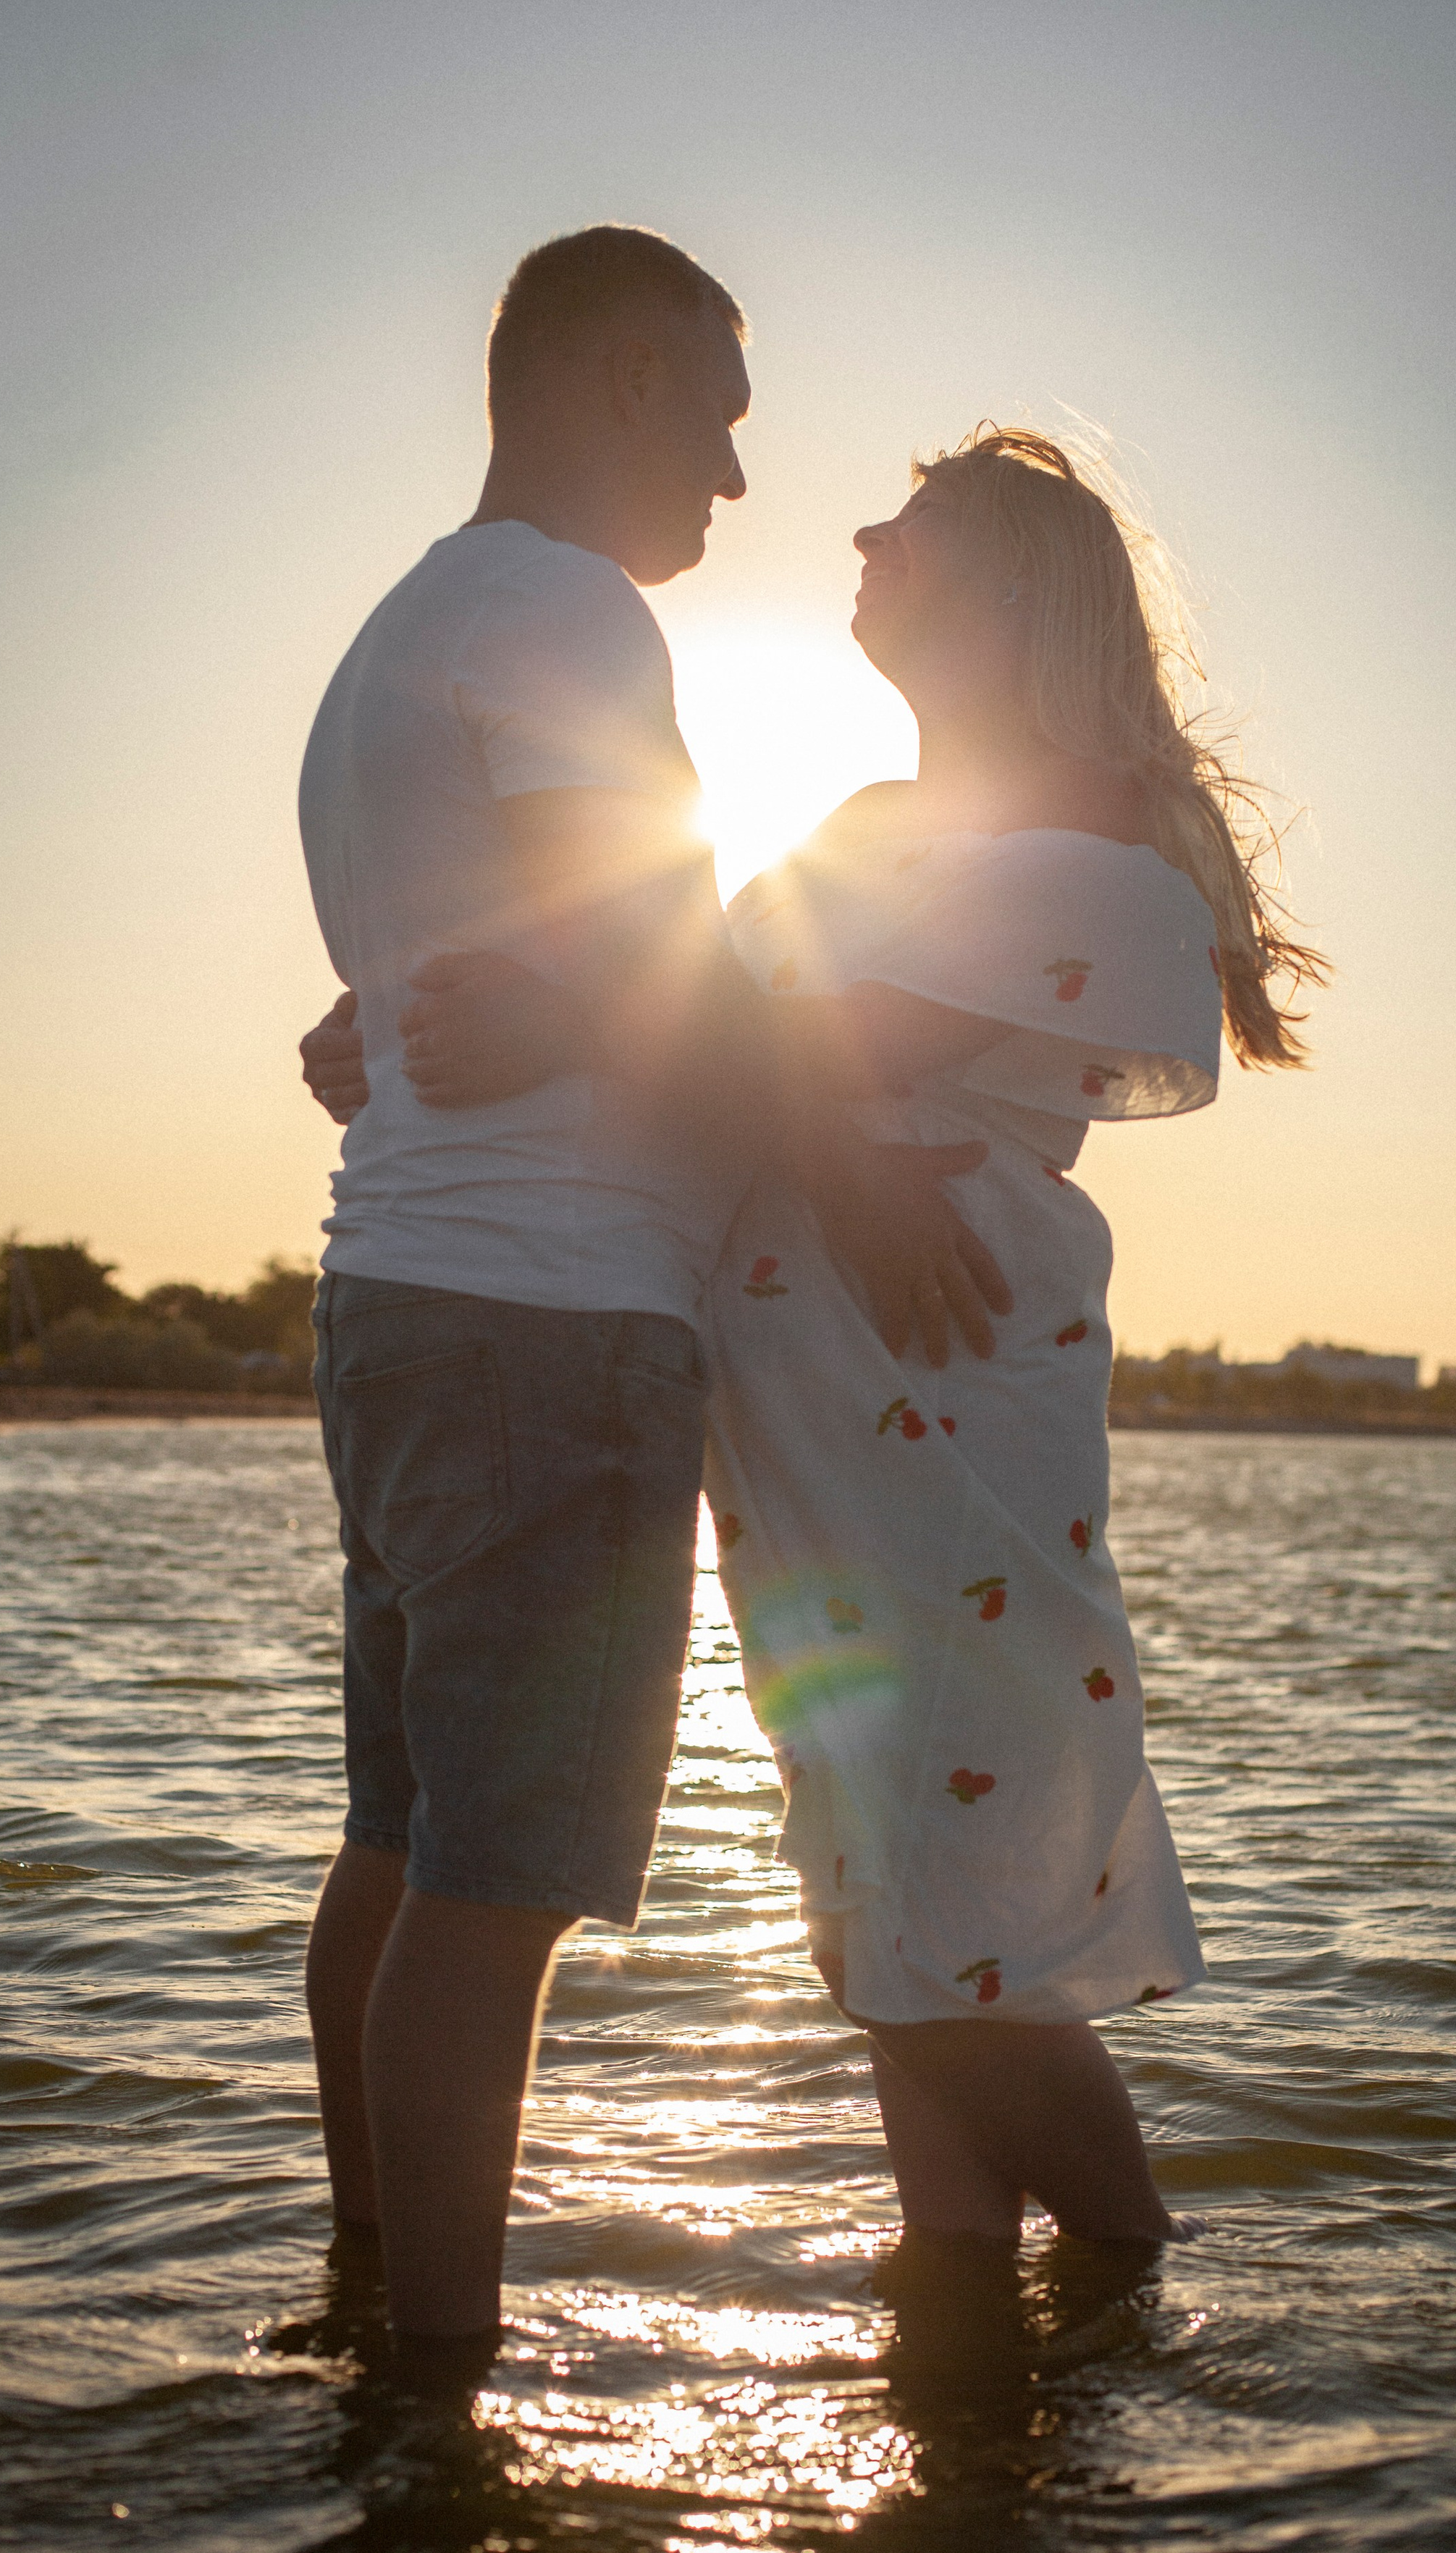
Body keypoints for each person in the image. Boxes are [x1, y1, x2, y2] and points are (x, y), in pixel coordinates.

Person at [303, 424, 1322, 2344]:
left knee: (924, 1911)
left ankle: (1130, 2269)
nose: (858, 529)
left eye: (909, 523)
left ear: (1012, 585)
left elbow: (808, 1033)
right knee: (887, 1870)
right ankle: (984, 2356)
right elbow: (685, 989)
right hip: (793, 1399)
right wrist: (431, 1004)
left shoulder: (1095, 840)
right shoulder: (863, 825)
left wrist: (555, 1013)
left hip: (942, 1375)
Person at [295, 224, 1010, 2380]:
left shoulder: (411, 625)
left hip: (405, 1296)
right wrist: (860, 1172)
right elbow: (655, 969)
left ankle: (365, 2313)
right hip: (547, 1324)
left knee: (404, 1851)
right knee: (492, 1892)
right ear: (616, 378)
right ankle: (436, 2404)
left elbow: (518, 973)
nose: (733, 470)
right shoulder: (566, 613)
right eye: (714, 410)